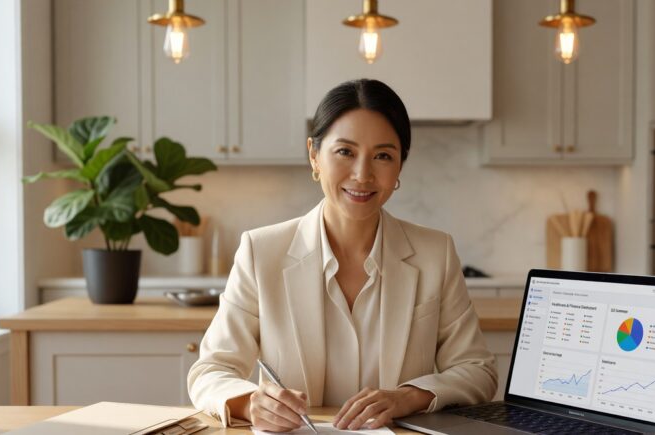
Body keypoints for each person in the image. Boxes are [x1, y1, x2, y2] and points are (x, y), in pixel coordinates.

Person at [187, 79, 497, 432]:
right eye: (345, 152)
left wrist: (407, 397)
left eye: (383, 156)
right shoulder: (261, 252)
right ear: (314, 155)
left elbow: (478, 370)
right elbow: (210, 371)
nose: (363, 175)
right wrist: (250, 403)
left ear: (400, 166)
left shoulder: (435, 253)